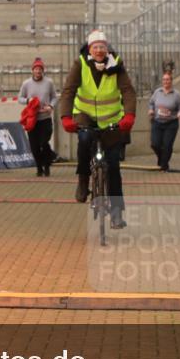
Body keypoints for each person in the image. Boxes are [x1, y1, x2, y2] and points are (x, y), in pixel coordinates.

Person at [59, 30, 136, 229]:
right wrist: (66, 117)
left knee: (113, 168)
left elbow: (127, 90)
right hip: (86, 116)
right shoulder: (80, 64)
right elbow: (69, 90)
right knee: (84, 141)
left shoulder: (116, 65)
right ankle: (83, 179)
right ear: (90, 49)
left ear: (107, 49)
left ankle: (117, 214)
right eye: (96, 47)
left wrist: (129, 115)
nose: (99, 50)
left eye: (102, 47)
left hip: (111, 121)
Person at [18, 57, 57, 176]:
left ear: (43, 71)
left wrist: (51, 106)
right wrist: (28, 100)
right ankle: (39, 167)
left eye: (40, 69)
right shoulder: (26, 84)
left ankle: (47, 165)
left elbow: (55, 97)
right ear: (32, 70)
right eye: (36, 69)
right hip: (32, 120)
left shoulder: (49, 82)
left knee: (44, 143)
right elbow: (20, 98)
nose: (38, 71)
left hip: (45, 118)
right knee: (34, 147)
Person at [147, 72, 180, 171]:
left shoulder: (176, 94)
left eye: (168, 79)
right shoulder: (157, 92)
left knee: (167, 145)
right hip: (157, 122)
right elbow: (151, 103)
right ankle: (161, 159)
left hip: (171, 124)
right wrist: (151, 110)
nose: (166, 81)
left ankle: (164, 165)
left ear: (171, 81)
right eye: (164, 79)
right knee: (155, 144)